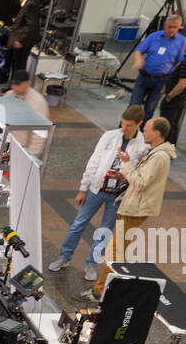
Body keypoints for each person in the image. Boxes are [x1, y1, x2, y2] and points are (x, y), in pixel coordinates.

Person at [48, 105, 147, 280]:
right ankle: (64, 257)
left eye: (129, 125)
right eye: (123, 124)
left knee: (105, 231)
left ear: (139, 123)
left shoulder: (142, 146)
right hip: (96, 188)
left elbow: (137, 172)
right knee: (78, 224)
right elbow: (93, 161)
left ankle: (92, 264)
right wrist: (83, 188)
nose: (124, 128)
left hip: (118, 195)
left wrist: (122, 174)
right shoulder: (109, 136)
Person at [90, 116, 176, 299]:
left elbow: (140, 182)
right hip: (134, 206)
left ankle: (100, 291)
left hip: (136, 208)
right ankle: (115, 287)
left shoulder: (159, 157)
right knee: (120, 250)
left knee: (114, 252)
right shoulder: (155, 153)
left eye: (147, 129)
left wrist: (127, 165)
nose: (143, 132)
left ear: (157, 133)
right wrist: (126, 167)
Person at [129, 15, 185, 125]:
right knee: (133, 106)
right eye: (169, 26)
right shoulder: (153, 36)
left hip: (161, 81)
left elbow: (179, 63)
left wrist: (171, 78)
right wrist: (138, 60)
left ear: (179, 27)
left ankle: (143, 133)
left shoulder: (182, 41)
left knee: (150, 109)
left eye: (175, 27)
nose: (171, 30)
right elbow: (138, 51)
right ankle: (124, 129)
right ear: (165, 25)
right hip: (144, 77)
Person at [157, 32, 186, 144]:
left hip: (175, 99)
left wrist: (169, 96)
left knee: (167, 124)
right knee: (174, 124)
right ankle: (171, 146)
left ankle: (165, 147)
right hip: (183, 97)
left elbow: (182, 84)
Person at [3, 69, 49, 157]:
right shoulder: (9, 95)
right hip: (6, 145)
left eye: (18, 85)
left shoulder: (37, 102)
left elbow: (40, 133)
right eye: (13, 84)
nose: (15, 87)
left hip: (23, 149)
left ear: (27, 83)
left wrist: (30, 155)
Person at [5, 0, 42, 78]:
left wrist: (21, 41)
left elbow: (32, 26)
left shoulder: (30, 5)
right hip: (20, 41)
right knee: (16, 65)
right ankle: (13, 88)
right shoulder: (29, 3)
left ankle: (18, 89)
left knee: (19, 66)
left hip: (22, 43)